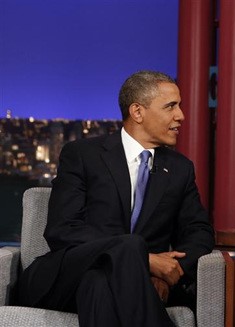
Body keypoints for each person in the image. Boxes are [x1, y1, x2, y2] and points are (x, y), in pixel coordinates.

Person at [17, 70, 215, 326]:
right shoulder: (82, 155)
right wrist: (143, 261)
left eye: (179, 106)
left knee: (99, 284)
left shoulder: (180, 169)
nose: (181, 116)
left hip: (102, 284)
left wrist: (164, 275)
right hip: (65, 277)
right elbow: (61, 229)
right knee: (130, 245)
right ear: (138, 112)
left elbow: (199, 232)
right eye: (171, 107)